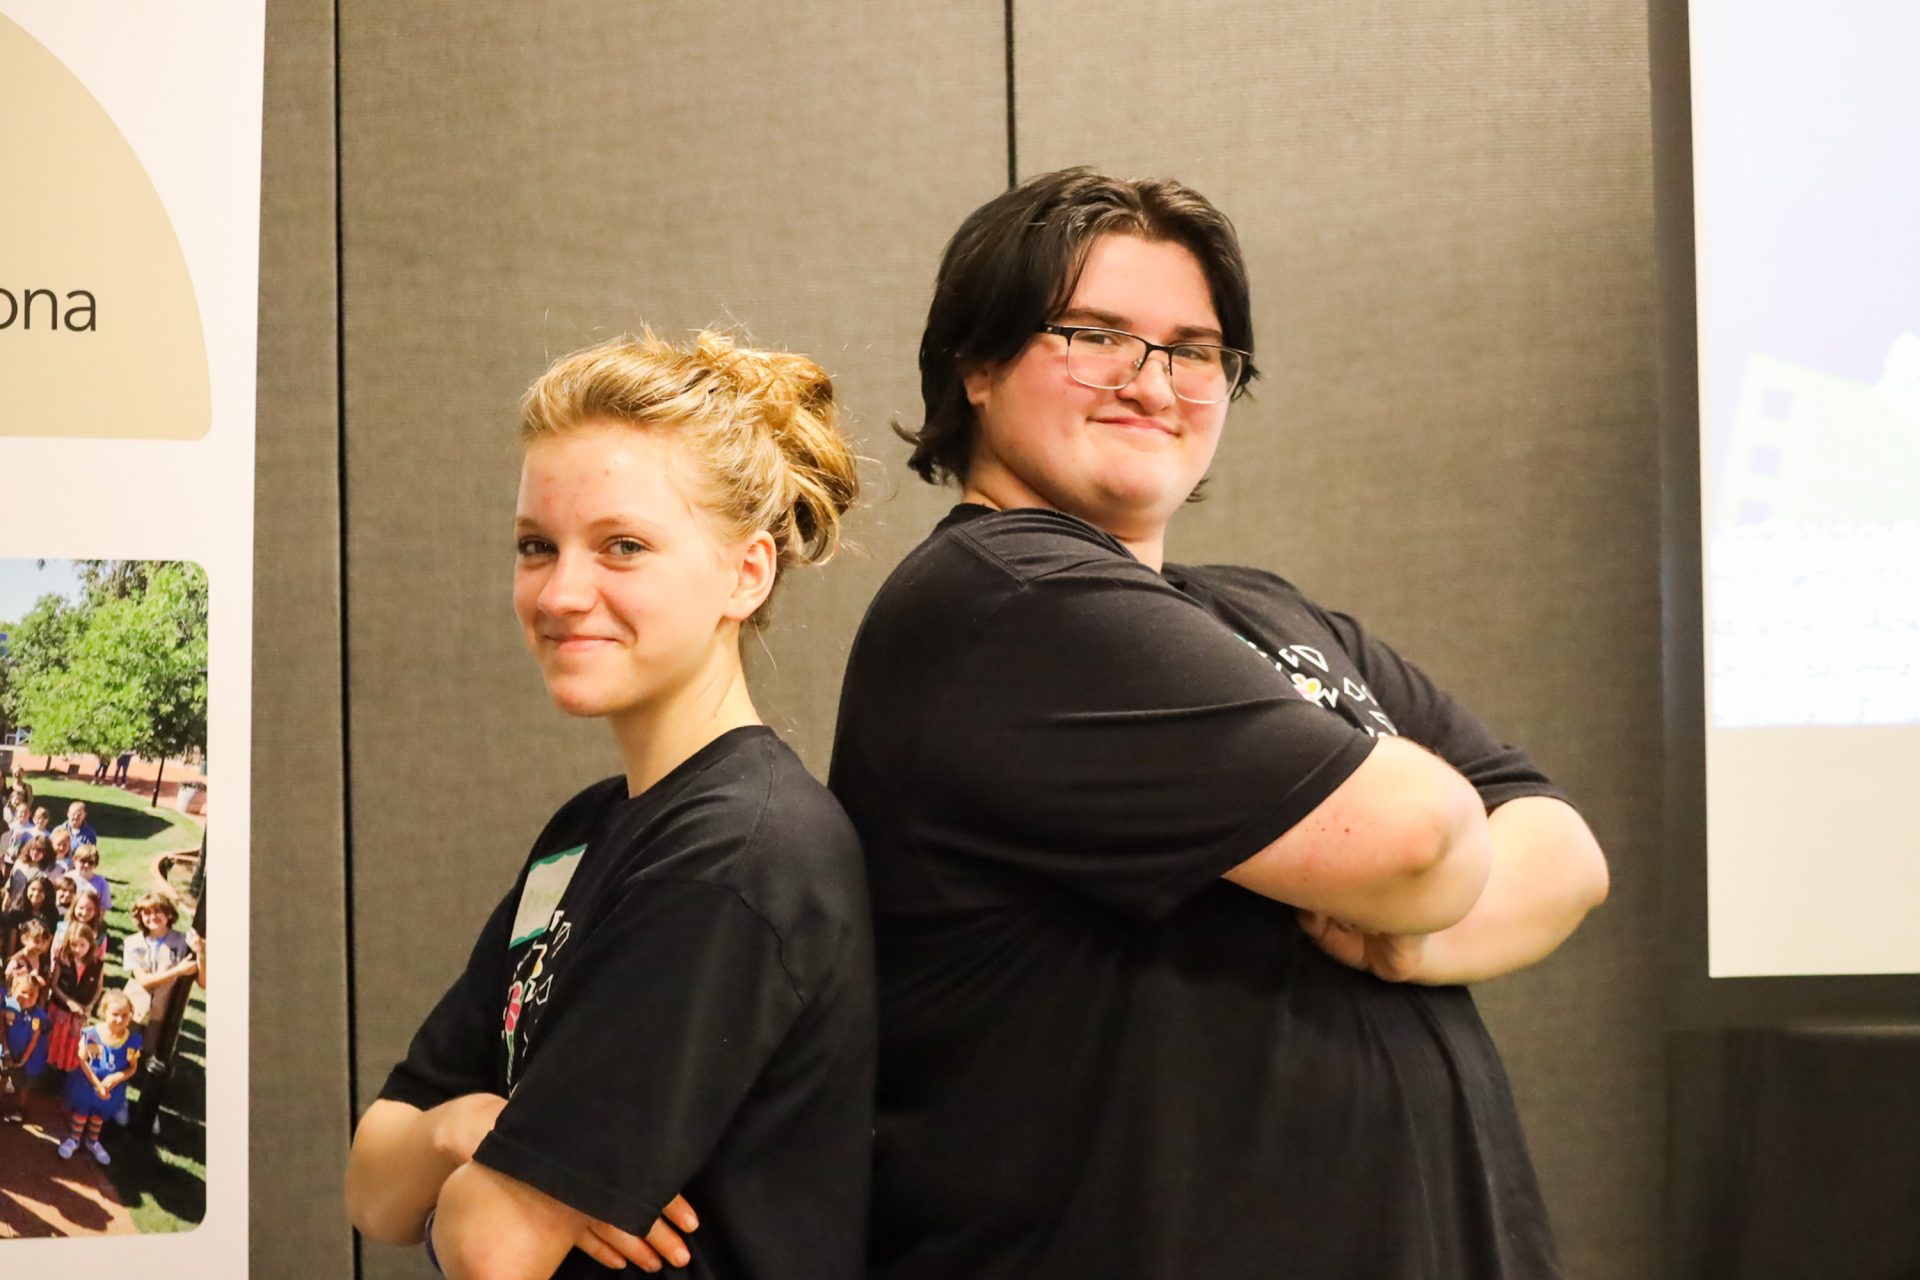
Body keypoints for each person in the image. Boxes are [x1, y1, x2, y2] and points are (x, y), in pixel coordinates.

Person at [828, 168, 1611, 1279]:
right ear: (978, 364)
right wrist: (1409, 866)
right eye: (1095, 334)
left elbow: (1567, 852)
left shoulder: (1259, 607)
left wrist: (1410, 935)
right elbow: (1423, 836)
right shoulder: (1011, 597)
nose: (1153, 381)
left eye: (1194, 350)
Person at [347, 331, 874, 1280]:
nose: (561, 592)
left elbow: (486, 1247)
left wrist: (482, 1180)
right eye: (535, 547)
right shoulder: (586, 834)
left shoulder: (739, 856)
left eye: (622, 547)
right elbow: (374, 1190)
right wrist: (461, 1133)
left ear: (745, 574)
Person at [58, 989, 140, 1164]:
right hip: (88, 1082)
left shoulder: (131, 1041)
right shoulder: (92, 1034)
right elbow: (82, 1059)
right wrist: (97, 1083)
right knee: (82, 1110)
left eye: (125, 1015)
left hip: (112, 1086)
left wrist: (117, 1077)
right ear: (104, 1012)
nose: (119, 1019)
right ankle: (74, 1138)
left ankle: (92, 1141)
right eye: (115, 1014)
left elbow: (132, 1067)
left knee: (99, 1114)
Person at [46, 920, 105, 1075]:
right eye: (73, 945)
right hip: (61, 1009)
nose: (77, 949)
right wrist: (69, 1002)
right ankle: (51, 1071)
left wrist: (90, 1006)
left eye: (82, 945)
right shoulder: (63, 959)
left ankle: (66, 1073)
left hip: (80, 1015)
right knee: (55, 1043)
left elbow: (99, 988)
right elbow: (54, 984)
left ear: (90, 944)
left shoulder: (97, 964)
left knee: (72, 1045)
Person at [2, 969, 50, 1119]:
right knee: (2, 1075)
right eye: (23, 992)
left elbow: (34, 1040)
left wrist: (22, 1060)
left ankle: (20, 1108)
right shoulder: (7, 1007)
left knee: (23, 1084)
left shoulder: (37, 1017)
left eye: (32, 994)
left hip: (27, 1055)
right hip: (8, 1048)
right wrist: (7, 1051)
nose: (27, 997)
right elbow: (2, 1029)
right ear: (13, 990)